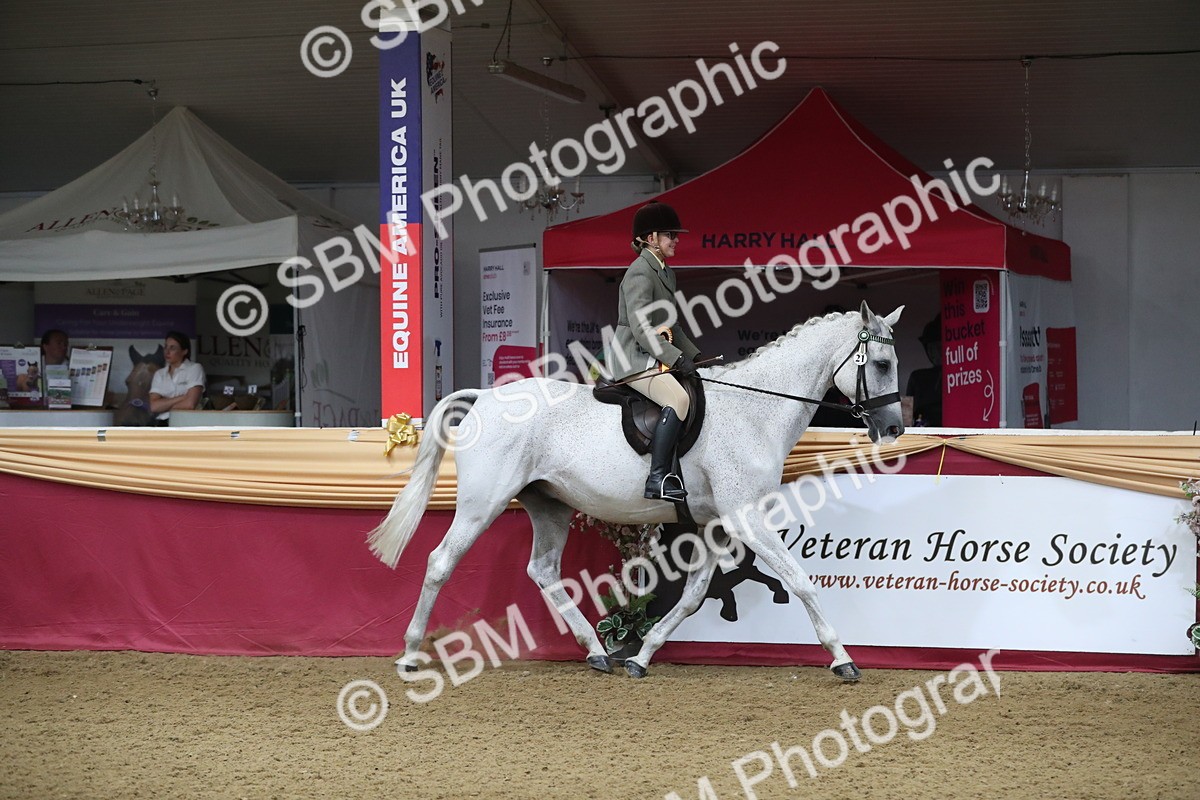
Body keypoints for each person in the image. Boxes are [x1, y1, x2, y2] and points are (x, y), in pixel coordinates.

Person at [607, 201, 700, 503]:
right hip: (632, 356)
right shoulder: (640, 273)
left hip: (653, 353)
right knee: (678, 398)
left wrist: (693, 357)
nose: (676, 240)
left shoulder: (665, 272)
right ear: (651, 239)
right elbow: (641, 328)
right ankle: (658, 478)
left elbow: (671, 322)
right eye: (670, 235)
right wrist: (674, 358)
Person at [149, 331, 206, 422]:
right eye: (166, 347)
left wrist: (164, 405)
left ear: (184, 351)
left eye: (172, 348)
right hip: (162, 423)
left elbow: (190, 404)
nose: (167, 352)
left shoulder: (194, 368)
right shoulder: (159, 374)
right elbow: (154, 406)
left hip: (187, 422)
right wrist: (183, 397)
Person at [906, 315, 942, 426]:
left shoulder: (964, 378)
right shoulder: (918, 378)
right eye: (929, 348)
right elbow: (906, 417)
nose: (933, 353)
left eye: (937, 347)